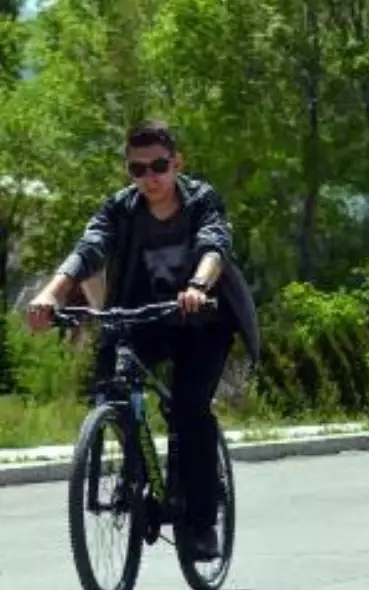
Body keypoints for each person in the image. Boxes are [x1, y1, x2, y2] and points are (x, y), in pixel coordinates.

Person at [25, 120, 260, 561]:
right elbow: (90, 247)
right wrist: (50, 295)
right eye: (137, 169)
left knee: (189, 409)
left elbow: (215, 245)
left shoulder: (203, 199)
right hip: (140, 315)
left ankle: (202, 521)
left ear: (177, 163)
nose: (149, 177)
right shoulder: (120, 208)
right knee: (110, 386)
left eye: (158, 166)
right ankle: (132, 470)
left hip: (201, 318)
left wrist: (198, 285)